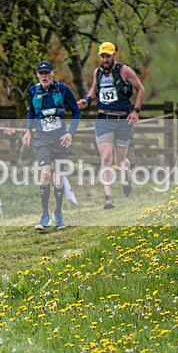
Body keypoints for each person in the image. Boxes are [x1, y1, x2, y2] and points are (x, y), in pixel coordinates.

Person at [77, 42, 145, 209]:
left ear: (114, 55)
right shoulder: (98, 72)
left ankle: (126, 180)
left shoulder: (124, 70)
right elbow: (94, 91)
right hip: (104, 120)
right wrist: (86, 100)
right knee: (106, 158)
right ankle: (108, 198)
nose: (105, 59)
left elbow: (141, 89)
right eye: (102, 56)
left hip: (122, 121)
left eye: (108, 56)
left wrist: (136, 111)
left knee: (121, 161)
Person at [21, 61, 81, 231]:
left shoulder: (63, 90)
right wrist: (28, 130)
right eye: (41, 73)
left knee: (59, 178)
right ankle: (44, 214)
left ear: (53, 73)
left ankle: (58, 214)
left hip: (60, 139)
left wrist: (70, 132)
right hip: (42, 139)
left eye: (47, 72)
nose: (44, 76)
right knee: (46, 173)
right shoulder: (33, 90)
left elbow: (76, 112)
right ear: (37, 74)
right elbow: (32, 112)